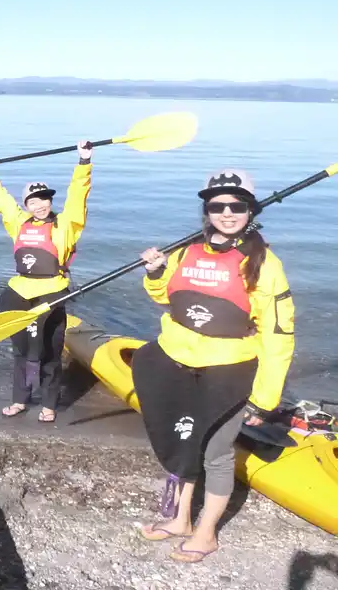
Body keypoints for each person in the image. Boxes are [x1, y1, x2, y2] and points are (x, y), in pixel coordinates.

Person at [132, 169, 294, 563]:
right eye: (216, 205)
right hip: (176, 361)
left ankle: (206, 533)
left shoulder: (264, 263)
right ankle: (179, 520)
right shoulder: (187, 250)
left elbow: (279, 334)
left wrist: (265, 398)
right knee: (183, 441)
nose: (226, 213)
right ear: (206, 210)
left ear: (250, 210)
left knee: (216, 452)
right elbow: (165, 297)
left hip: (229, 371)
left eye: (236, 205)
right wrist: (154, 274)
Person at [0, 140, 94, 422]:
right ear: (27, 204)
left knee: (49, 353)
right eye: (33, 200)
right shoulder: (19, 223)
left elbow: (79, 197)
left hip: (53, 294)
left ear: (50, 201)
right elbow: (2, 201)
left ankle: (49, 404)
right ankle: (20, 400)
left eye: (44, 199)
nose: (40, 205)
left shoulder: (65, 225)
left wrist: (84, 162)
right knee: (20, 351)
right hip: (17, 292)